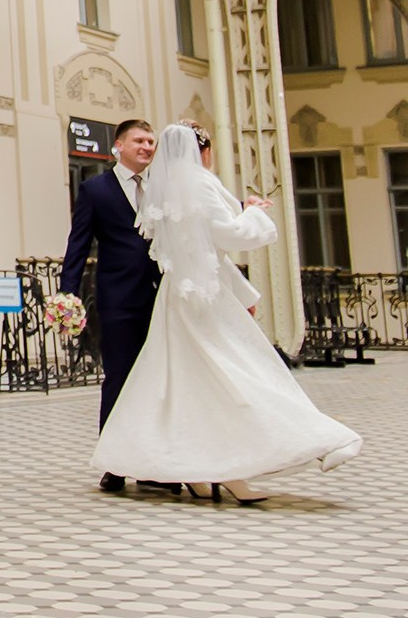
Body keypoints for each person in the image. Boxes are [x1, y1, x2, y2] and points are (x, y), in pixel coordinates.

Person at [91, 120, 362, 503]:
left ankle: (199, 472)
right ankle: (301, 442)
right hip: (206, 296)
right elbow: (228, 236)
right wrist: (253, 214)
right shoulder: (200, 183)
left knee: (183, 382)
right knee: (242, 370)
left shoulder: (163, 190)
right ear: (203, 151)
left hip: (176, 296)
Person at [59, 118, 164, 494]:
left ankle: (153, 465)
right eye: (139, 140)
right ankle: (115, 463)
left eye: (151, 141)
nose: (147, 147)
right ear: (119, 146)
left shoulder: (163, 188)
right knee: (119, 379)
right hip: (118, 298)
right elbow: (78, 244)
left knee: (158, 380)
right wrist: (67, 295)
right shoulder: (95, 189)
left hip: (163, 297)